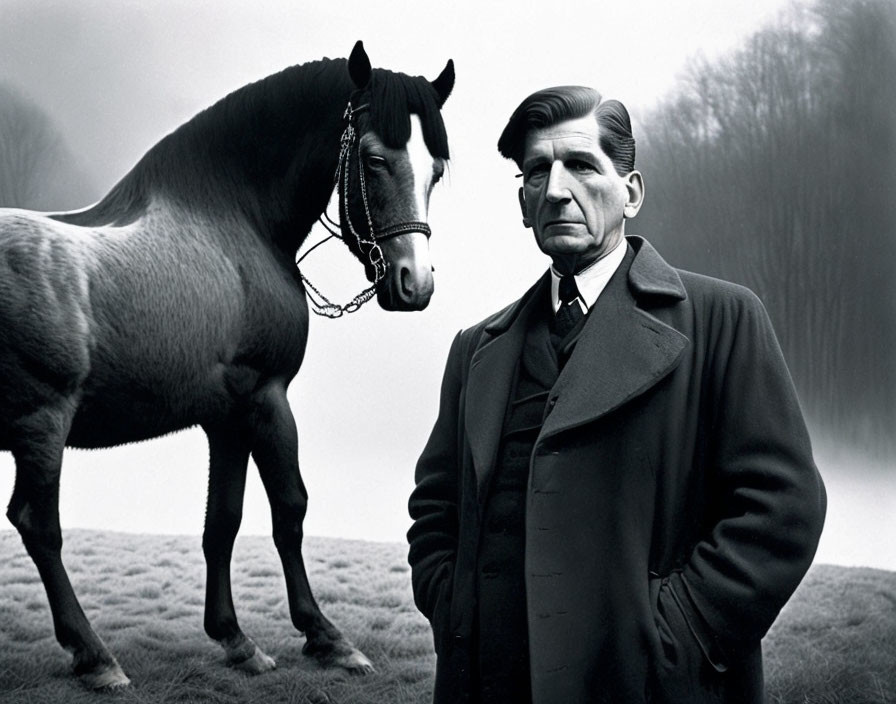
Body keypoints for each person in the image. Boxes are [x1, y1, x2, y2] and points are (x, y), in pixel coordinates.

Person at [407, 85, 826, 704]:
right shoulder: (475, 350)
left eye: (580, 165)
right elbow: (435, 512)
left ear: (631, 192)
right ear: (522, 203)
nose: (555, 190)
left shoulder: (725, 320)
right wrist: (456, 611)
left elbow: (782, 507)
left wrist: (673, 635)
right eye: (536, 172)